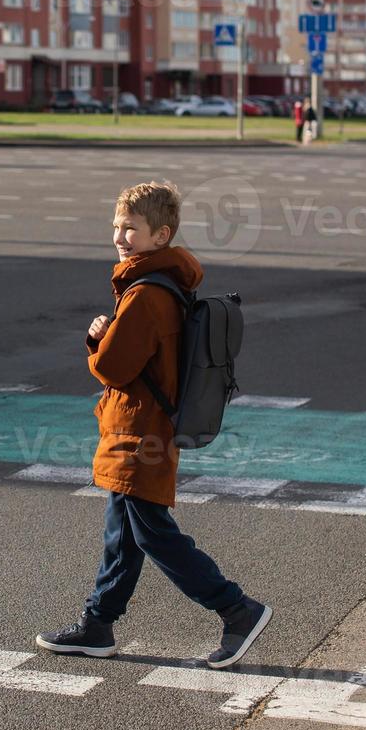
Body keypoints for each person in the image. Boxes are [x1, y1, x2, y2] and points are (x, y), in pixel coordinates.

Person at [36, 181, 271, 670]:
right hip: (144, 426)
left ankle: (237, 609)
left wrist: (95, 338)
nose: (122, 237)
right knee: (123, 532)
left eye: (133, 229)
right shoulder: (165, 283)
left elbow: (115, 368)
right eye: (117, 227)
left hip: (138, 431)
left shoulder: (145, 294)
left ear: (161, 235)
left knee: (152, 533)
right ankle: (98, 624)